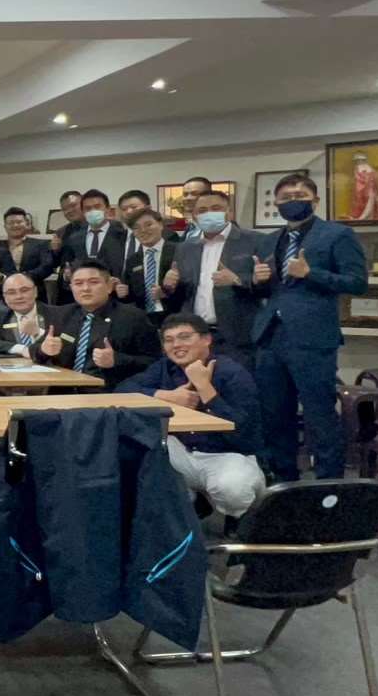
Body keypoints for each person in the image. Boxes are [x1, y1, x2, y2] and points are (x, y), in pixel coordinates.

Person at [251, 173, 368, 480]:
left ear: (315, 200)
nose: (293, 201)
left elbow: (357, 282)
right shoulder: (269, 239)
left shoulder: (338, 234)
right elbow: (272, 290)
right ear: (276, 203)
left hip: (312, 338)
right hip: (270, 336)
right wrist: (258, 281)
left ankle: (328, 485)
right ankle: (283, 482)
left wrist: (311, 273)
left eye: (300, 196)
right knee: (275, 414)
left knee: (319, 414)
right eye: (286, 197)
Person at [119, 314, 266, 517]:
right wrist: (167, 395)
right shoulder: (164, 367)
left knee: (233, 489)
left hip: (227, 454)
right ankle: (188, 509)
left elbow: (244, 433)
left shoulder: (232, 372)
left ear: (207, 339)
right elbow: (124, 389)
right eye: (169, 340)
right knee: (140, 452)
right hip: (183, 451)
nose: (176, 345)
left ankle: (239, 521)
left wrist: (205, 389)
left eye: (185, 337)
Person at [162, 190, 263, 369]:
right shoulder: (185, 248)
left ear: (229, 212)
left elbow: (268, 287)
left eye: (216, 208)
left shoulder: (254, 241)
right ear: (194, 216)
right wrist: (170, 286)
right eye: (202, 210)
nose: (209, 214)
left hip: (238, 337)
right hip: (196, 335)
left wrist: (238, 280)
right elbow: (183, 295)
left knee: (237, 383)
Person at [37, 260, 160, 388]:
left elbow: (155, 362)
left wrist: (117, 360)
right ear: (71, 287)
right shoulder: (61, 314)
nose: (85, 288)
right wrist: (44, 350)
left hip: (108, 392)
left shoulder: (133, 317)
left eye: (93, 282)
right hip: (61, 390)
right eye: (78, 283)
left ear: (109, 286)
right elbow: (36, 352)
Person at [115, 208, 176, 323]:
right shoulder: (133, 260)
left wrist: (166, 293)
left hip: (174, 315)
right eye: (136, 228)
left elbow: (191, 288)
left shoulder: (178, 251)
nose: (143, 230)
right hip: (144, 319)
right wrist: (123, 293)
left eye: (148, 225)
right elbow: (132, 295)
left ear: (161, 225)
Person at [61, 189, 127, 278]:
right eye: (88, 208)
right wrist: (66, 275)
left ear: (108, 209)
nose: (93, 211)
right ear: (83, 212)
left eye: (97, 207)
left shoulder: (122, 235)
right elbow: (66, 267)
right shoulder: (74, 239)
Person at [1, 206, 55, 301]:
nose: (15, 225)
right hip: (4, 297)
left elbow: (47, 267)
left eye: (19, 222)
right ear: (5, 226)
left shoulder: (41, 244)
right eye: (11, 223)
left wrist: (24, 277)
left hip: (36, 296)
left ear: (26, 224)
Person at [0, 272, 48, 356]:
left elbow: (63, 346)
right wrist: (20, 349)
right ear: (4, 297)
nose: (18, 296)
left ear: (35, 291)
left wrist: (38, 333)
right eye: (11, 292)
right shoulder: (0, 315)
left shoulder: (57, 313)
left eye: (24, 290)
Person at [116, 189, 153, 262]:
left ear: (148, 208)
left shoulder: (166, 236)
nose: (129, 212)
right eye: (124, 209)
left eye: (134, 207)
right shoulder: (116, 237)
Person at [349, 153, 378, 221]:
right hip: (364, 191)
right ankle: (361, 218)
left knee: (369, 203)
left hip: (368, 190)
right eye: (357, 160)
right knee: (363, 203)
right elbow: (358, 181)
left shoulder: (368, 168)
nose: (358, 162)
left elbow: (376, 180)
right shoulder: (359, 168)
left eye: (359, 160)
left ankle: (362, 218)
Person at [179, 176, 214, 242]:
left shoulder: (219, 227)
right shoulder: (192, 226)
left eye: (194, 194)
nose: (188, 198)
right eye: (185, 194)